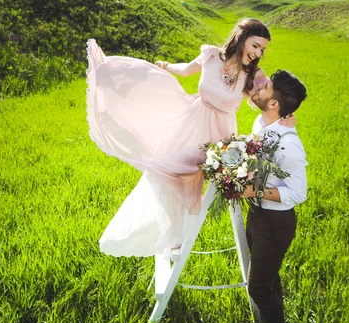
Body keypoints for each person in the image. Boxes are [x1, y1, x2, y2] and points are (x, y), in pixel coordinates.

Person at [86, 18, 294, 257]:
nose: (258, 52)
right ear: (242, 38)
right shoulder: (211, 56)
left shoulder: (254, 74)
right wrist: (166, 67)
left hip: (219, 139)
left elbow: (269, 100)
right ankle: (174, 234)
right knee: (164, 166)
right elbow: (185, 70)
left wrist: (286, 115)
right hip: (192, 123)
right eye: (255, 45)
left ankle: (179, 236)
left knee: (191, 175)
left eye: (262, 49)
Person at [238, 70, 308, 323]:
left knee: (258, 288)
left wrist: (255, 191)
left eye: (265, 87)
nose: (259, 86)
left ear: (275, 104)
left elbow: (298, 193)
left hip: (276, 223)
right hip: (257, 216)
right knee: (269, 280)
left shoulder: (288, 145)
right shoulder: (262, 122)